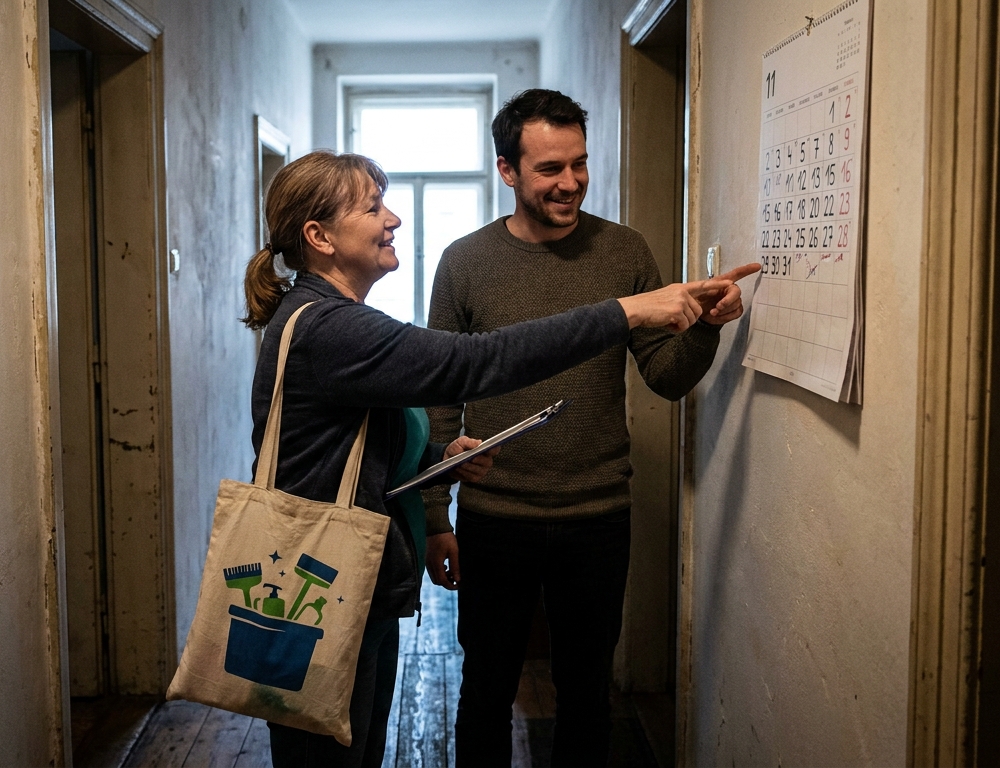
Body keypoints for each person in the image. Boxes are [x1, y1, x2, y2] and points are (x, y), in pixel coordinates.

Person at [243, 149, 751, 768]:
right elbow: (474, 364)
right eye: (373, 207)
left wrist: (436, 455)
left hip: (342, 590)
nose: (393, 218)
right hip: (318, 595)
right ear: (318, 237)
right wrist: (631, 310)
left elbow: (358, 442)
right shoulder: (331, 327)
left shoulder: (333, 318)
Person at [422, 89, 759, 766]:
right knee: (484, 689)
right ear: (508, 170)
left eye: (579, 163)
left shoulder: (625, 252)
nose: (570, 181)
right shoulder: (464, 262)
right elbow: (441, 398)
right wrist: (437, 517)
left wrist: (707, 329)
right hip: (495, 518)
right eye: (550, 168)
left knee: (586, 694)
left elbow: (664, 376)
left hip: (596, 515)